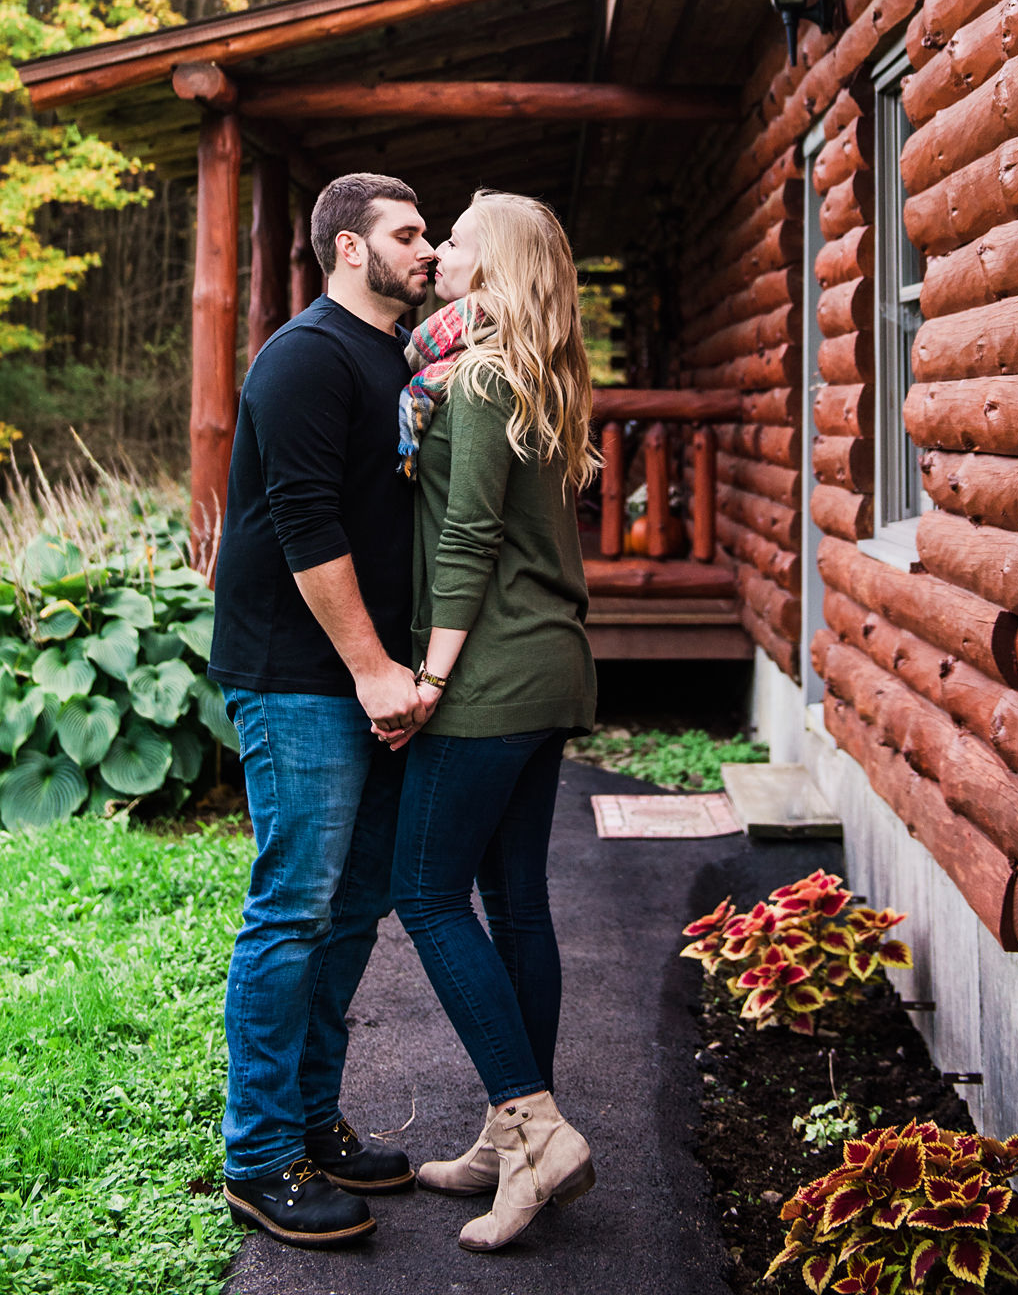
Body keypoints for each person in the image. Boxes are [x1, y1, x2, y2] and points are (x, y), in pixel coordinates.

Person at [209, 172, 435, 1250]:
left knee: (352, 909)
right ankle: (258, 1156)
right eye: (407, 232)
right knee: (294, 906)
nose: (427, 247)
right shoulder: (304, 355)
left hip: (367, 671)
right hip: (302, 672)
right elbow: (301, 520)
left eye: (428, 232)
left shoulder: (396, 355)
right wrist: (371, 669)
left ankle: (309, 1120)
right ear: (349, 248)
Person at [383, 189, 599, 1255]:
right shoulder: (540, 372)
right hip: (550, 665)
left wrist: (429, 675)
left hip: (491, 677)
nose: (441, 250)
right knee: (513, 903)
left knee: (423, 891)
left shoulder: (471, 376)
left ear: (494, 260)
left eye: (457, 236)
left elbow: (466, 538)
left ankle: (536, 1123)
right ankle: (509, 1136)